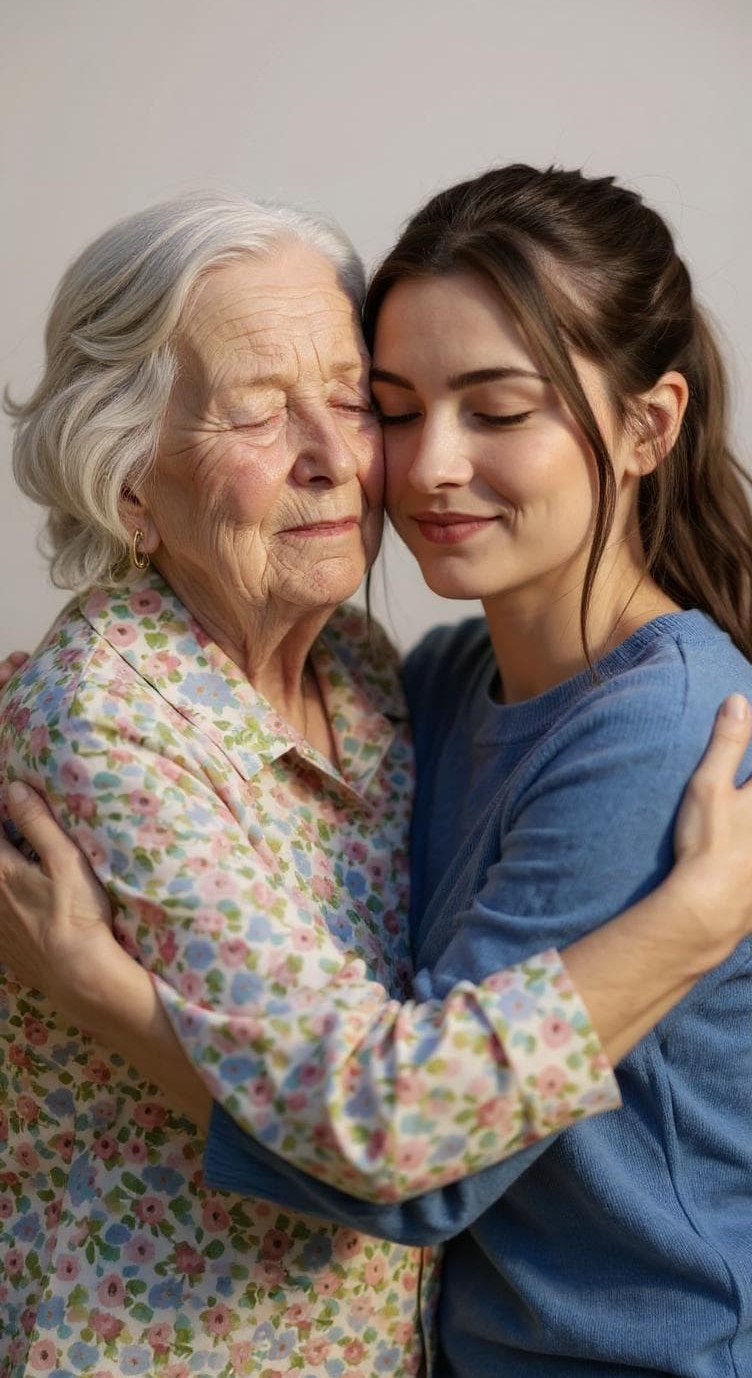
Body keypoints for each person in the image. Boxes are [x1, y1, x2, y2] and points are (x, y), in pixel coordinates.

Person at [1, 172, 751, 1378]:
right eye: (396, 405)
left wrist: (112, 998)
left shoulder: (604, 722)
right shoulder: (410, 681)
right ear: (128, 479)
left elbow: (413, 1156)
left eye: (350, 403)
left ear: (646, 425)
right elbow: (390, 1119)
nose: (384, 465)